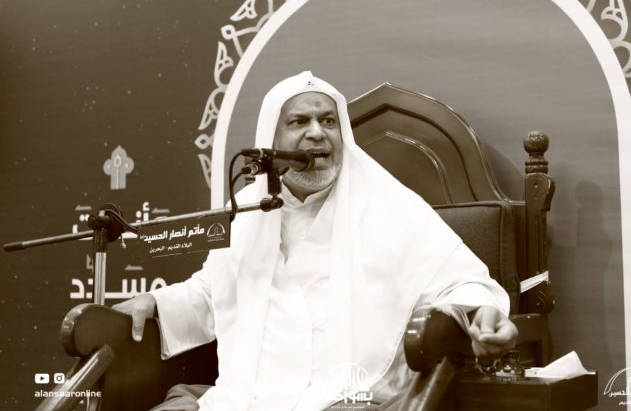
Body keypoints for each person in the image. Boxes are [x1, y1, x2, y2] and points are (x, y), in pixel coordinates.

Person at [114, 71, 517, 411]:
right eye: (299, 122)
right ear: (271, 141)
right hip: (250, 397)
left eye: (328, 122)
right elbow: (213, 290)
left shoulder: (388, 204)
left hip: (345, 396)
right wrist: (155, 303)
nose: (316, 133)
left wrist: (482, 313)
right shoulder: (249, 207)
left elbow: (460, 280)